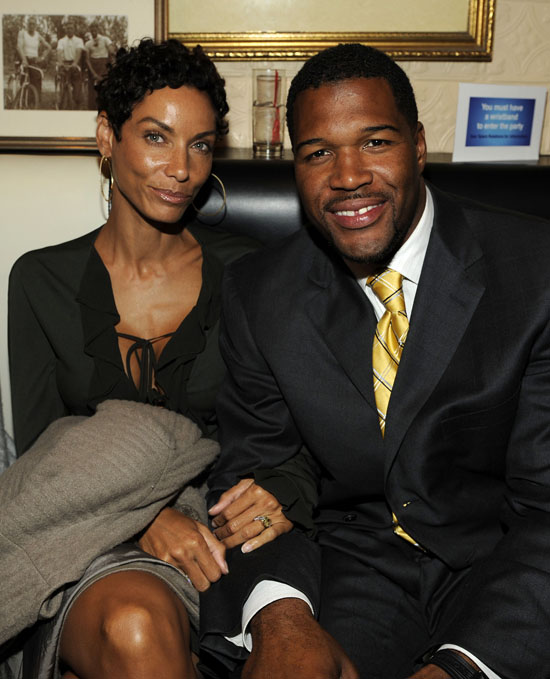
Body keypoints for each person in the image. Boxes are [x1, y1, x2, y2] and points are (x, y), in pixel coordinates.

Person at [203, 43, 550, 679]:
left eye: (375, 142)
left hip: (505, 567)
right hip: (351, 569)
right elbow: (256, 474)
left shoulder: (534, 272)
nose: (348, 175)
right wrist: (281, 620)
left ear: (417, 145)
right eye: (318, 153)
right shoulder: (259, 292)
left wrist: (465, 668)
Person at [8, 38, 291, 679]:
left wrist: (278, 494)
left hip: (222, 531)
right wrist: (146, 517)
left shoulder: (248, 272)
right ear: (107, 136)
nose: (182, 169)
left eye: (199, 143)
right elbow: (42, 456)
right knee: (134, 624)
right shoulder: (40, 281)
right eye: (157, 138)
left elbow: (283, 425)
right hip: (89, 530)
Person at [16, 16, 51, 103]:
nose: (31, 26)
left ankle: (35, 102)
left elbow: (49, 47)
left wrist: (42, 57)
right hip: (24, 58)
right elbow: (19, 47)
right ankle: (23, 100)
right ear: (27, 24)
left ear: (35, 25)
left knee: (37, 79)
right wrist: (24, 59)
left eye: (33, 24)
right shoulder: (22, 33)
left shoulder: (37, 35)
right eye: (30, 24)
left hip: (34, 60)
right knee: (24, 80)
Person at [84, 23, 113, 109]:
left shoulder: (105, 39)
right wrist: (93, 72)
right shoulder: (88, 43)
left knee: (104, 85)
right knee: (92, 87)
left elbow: (111, 51)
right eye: (92, 30)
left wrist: (109, 64)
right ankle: (92, 107)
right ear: (90, 31)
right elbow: (87, 59)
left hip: (103, 64)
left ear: (98, 29)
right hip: (92, 65)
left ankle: (105, 106)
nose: (93, 31)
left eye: (95, 29)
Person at [56, 21, 84, 108]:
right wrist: (60, 62)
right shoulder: (62, 41)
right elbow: (59, 52)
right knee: (61, 82)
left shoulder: (79, 40)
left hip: (74, 64)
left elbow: (79, 52)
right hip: (65, 64)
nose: (69, 30)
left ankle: (77, 103)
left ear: (74, 29)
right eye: (68, 28)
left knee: (77, 87)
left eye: (71, 28)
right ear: (66, 30)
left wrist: (75, 63)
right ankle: (60, 101)